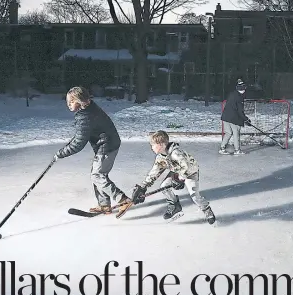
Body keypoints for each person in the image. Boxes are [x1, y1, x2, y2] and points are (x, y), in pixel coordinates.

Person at [54, 86, 132, 215]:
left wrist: (61, 153)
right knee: (98, 174)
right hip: (108, 142)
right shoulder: (89, 108)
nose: (68, 105)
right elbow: (81, 135)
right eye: (68, 101)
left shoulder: (85, 117)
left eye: (71, 101)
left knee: (97, 175)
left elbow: (78, 144)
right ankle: (104, 205)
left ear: (80, 100)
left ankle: (123, 199)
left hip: (107, 146)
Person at [131, 130, 216, 224]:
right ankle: (175, 205)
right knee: (164, 186)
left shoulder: (176, 153)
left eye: (153, 145)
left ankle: (207, 209)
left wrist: (181, 178)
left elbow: (186, 166)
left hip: (191, 172)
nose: (151, 147)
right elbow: (154, 172)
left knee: (195, 196)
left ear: (161, 144)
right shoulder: (160, 158)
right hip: (176, 172)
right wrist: (143, 186)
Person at [219, 78, 251, 155]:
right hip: (233, 118)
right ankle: (237, 150)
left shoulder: (232, 94)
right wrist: (246, 120)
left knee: (228, 133)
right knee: (236, 133)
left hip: (225, 117)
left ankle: (222, 148)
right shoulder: (239, 97)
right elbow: (240, 111)